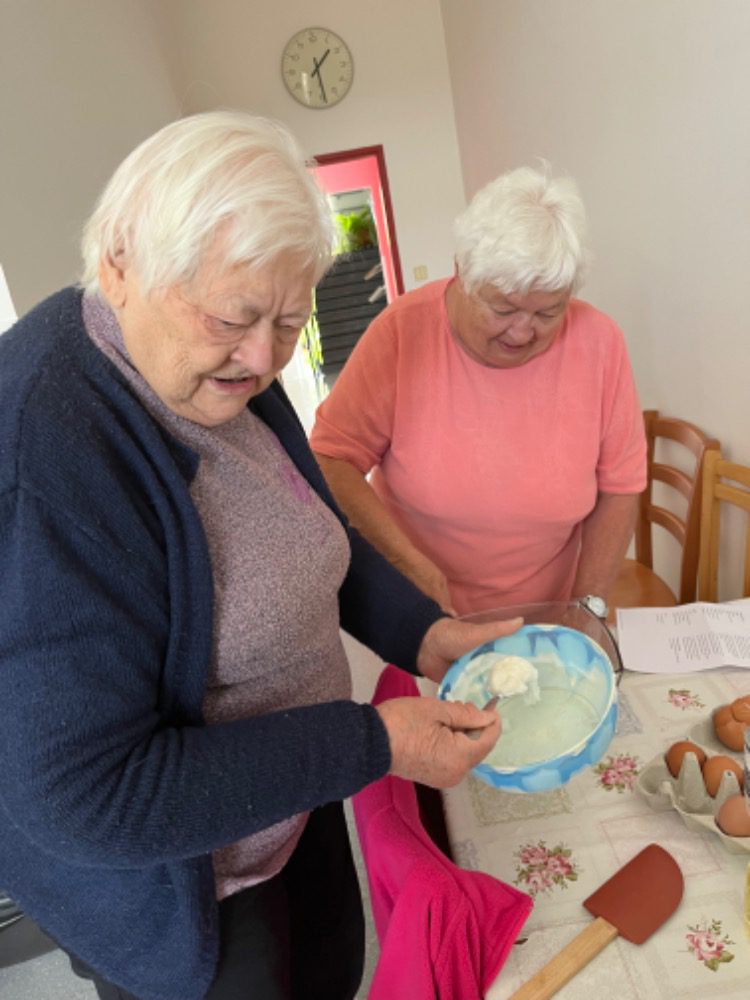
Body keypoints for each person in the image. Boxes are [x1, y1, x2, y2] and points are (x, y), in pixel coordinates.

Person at [0, 111, 521, 1000]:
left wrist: (424, 635)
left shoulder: (218, 371)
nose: (262, 357)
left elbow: (308, 534)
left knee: (330, 972)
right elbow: (88, 796)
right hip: (185, 890)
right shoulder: (49, 448)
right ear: (120, 262)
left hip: (291, 798)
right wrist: (371, 742)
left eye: (289, 321)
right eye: (234, 319)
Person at [310, 166, 647, 617]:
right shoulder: (401, 334)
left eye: (548, 313)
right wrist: (411, 568)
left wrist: (587, 606)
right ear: (461, 273)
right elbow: (331, 459)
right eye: (503, 309)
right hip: (427, 610)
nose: (522, 332)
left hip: (549, 611)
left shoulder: (601, 343)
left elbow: (621, 485)